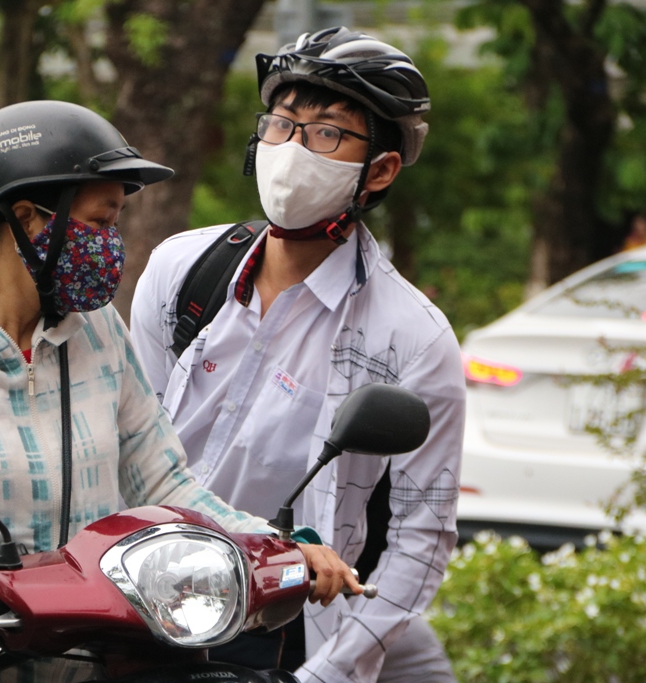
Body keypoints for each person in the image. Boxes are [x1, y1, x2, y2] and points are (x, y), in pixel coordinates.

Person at [0, 100, 360, 683]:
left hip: (108, 663)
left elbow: (165, 482)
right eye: (99, 223)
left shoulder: (98, 333)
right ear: (27, 219)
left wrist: (273, 543)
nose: (111, 244)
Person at [130, 27, 465, 683]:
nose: (291, 149)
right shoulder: (181, 269)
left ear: (381, 170)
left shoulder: (413, 337)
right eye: (282, 124)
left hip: (278, 632)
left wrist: (328, 673)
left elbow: (421, 540)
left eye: (327, 133)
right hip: (138, 597)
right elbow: (130, 446)